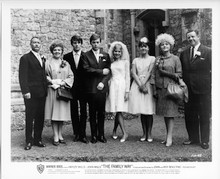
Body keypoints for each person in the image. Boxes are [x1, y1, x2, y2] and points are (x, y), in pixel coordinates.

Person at [180, 30, 211, 149]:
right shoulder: (183, 53)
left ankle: (204, 140)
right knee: (190, 114)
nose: (191, 39)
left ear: (198, 37)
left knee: (204, 114)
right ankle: (193, 138)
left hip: (203, 89)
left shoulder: (208, 51)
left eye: (193, 36)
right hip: (188, 89)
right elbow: (182, 70)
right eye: (188, 37)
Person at [19, 36, 47, 150]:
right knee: (30, 117)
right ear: (30, 44)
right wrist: (25, 91)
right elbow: (22, 76)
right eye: (34, 42)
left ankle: (38, 139)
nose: (36, 44)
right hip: (30, 93)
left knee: (40, 117)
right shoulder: (25, 58)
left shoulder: (42, 58)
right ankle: (29, 141)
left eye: (38, 43)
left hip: (42, 93)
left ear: (41, 45)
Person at [82, 33, 111, 143]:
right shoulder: (86, 55)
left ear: (100, 42)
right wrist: (100, 72)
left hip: (101, 88)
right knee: (92, 112)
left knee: (101, 112)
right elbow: (86, 69)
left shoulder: (105, 55)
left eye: (97, 42)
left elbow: (108, 71)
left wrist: (103, 83)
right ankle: (93, 135)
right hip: (91, 88)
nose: (95, 44)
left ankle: (101, 135)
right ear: (90, 43)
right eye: (93, 42)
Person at [154, 33, 182, 147]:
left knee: (170, 114)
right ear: (160, 47)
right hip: (161, 89)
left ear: (170, 45)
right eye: (162, 45)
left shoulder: (175, 59)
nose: (164, 46)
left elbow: (179, 74)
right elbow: (155, 74)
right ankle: (167, 136)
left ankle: (169, 137)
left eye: (166, 44)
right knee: (165, 113)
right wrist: (155, 88)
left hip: (171, 89)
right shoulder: (158, 59)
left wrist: (164, 72)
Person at [44, 42, 74, 146]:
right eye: (55, 50)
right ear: (52, 51)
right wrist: (52, 82)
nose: (57, 52)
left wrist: (63, 82)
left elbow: (71, 76)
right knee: (54, 114)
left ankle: (60, 134)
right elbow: (45, 75)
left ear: (61, 52)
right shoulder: (47, 63)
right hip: (52, 90)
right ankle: (55, 135)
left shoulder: (65, 63)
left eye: (59, 50)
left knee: (61, 114)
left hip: (62, 90)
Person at [128, 37, 156, 143]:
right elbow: (134, 73)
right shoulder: (135, 60)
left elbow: (149, 72)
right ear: (139, 48)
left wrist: (144, 84)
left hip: (147, 85)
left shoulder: (152, 59)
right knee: (142, 111)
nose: (143, 48)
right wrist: (140, 85)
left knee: (148, 111)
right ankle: (144, 133)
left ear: (148, 48)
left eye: (145, 46)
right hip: (138, 85)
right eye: (141, 46)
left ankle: (149, 133)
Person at [63, 35, 89, 144]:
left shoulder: (86, 56)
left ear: (81, 43)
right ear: (72, 44)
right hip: (72, 88)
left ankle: (83, 134)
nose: (77, 44)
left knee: (83, 110)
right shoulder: (66, 57)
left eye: (78, 42)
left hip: (83, 88)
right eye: (74, 43)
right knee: (73, 110)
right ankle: (76, 133)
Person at [105, 41, 130, 142]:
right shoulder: (111, 63)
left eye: (119, 52)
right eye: (115, 51)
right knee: (116, 109)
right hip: (113, 85)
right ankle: (114, 130)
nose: (117, 53)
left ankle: (125, 133)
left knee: (119, 110)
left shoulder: (125, 62)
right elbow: (109, 75)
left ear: (121, 52)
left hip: (122, 86)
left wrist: (127, 91)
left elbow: (127, 76)